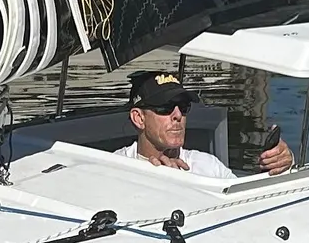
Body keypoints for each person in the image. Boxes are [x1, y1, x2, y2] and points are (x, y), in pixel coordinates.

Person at [125, 68, 292, 177]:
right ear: (139, 118)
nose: (177, 115)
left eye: (183, 107)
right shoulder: (113, 167)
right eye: (165, 107)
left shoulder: (209, 167)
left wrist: (282, 167)